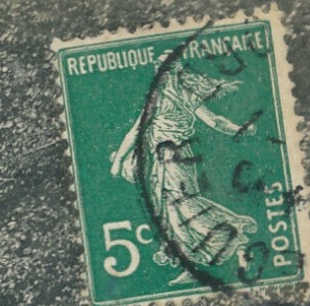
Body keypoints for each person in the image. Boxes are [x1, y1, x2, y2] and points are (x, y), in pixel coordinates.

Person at [109, 63, 258, 279]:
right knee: (175, 207)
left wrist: (118, 161)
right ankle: (189, 256)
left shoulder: (159, 97)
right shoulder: (183, 95)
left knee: (180, 205)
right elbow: (215, 122)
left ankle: (233, 231)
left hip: (170, 157)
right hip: (178, 156)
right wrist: (239, 129)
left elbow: (135, 132)